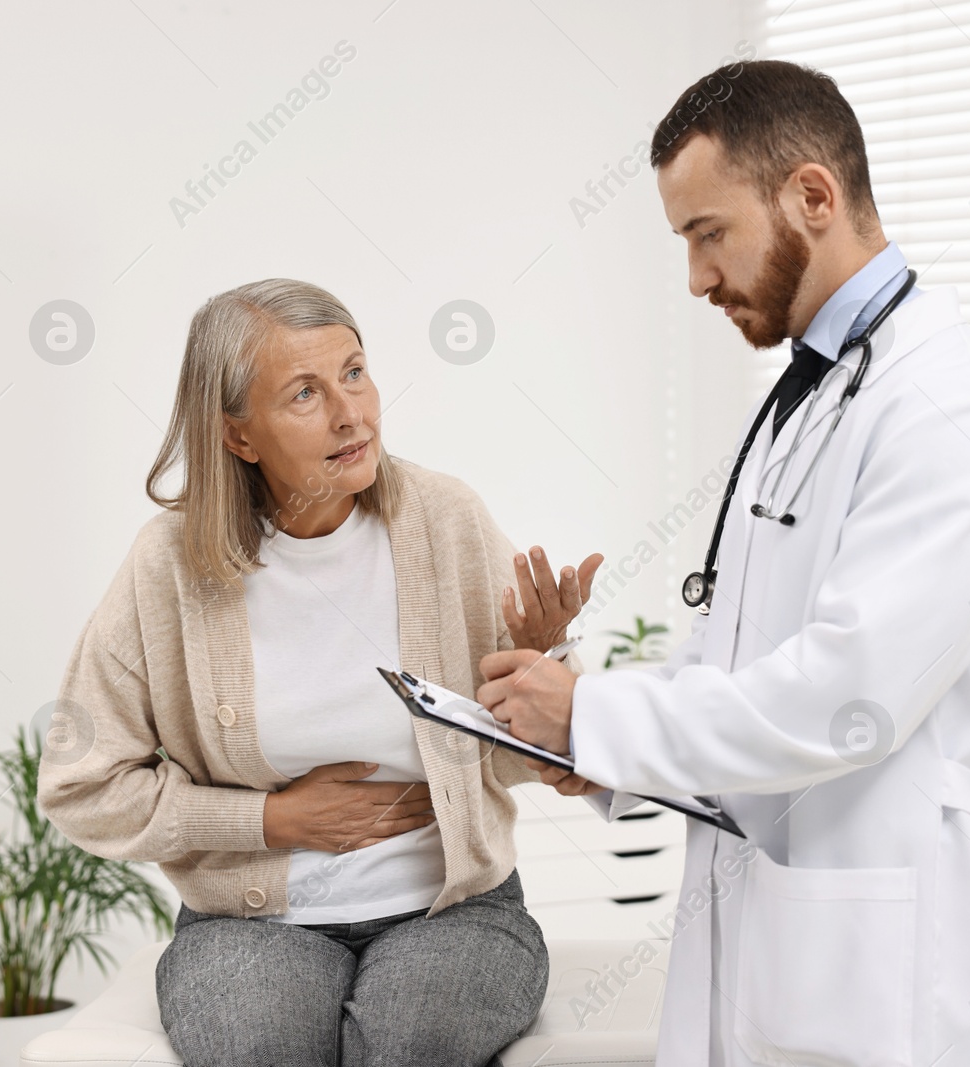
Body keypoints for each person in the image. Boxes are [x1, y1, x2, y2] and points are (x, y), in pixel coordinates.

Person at [477, 61, 970, 1065]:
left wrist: (596, 716)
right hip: (785, 926)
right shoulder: (817, 391)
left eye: (707, 234)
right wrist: (589, 747)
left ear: (812, 197)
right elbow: (742, 672)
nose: (696, 277)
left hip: (878, 959)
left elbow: (847, 697)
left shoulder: (950, 409)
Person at [38, 278, 601, 1067]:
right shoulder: (167, 566)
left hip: (453, 912)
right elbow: (79, 785)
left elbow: (516, 761)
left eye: (356, 372)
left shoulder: (445, 521)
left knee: (415, 1043)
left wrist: (539, 665)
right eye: (305, 392)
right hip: (247, 923)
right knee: (259, 1048)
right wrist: (268, 822)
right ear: (239, 435)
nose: (351, 414)